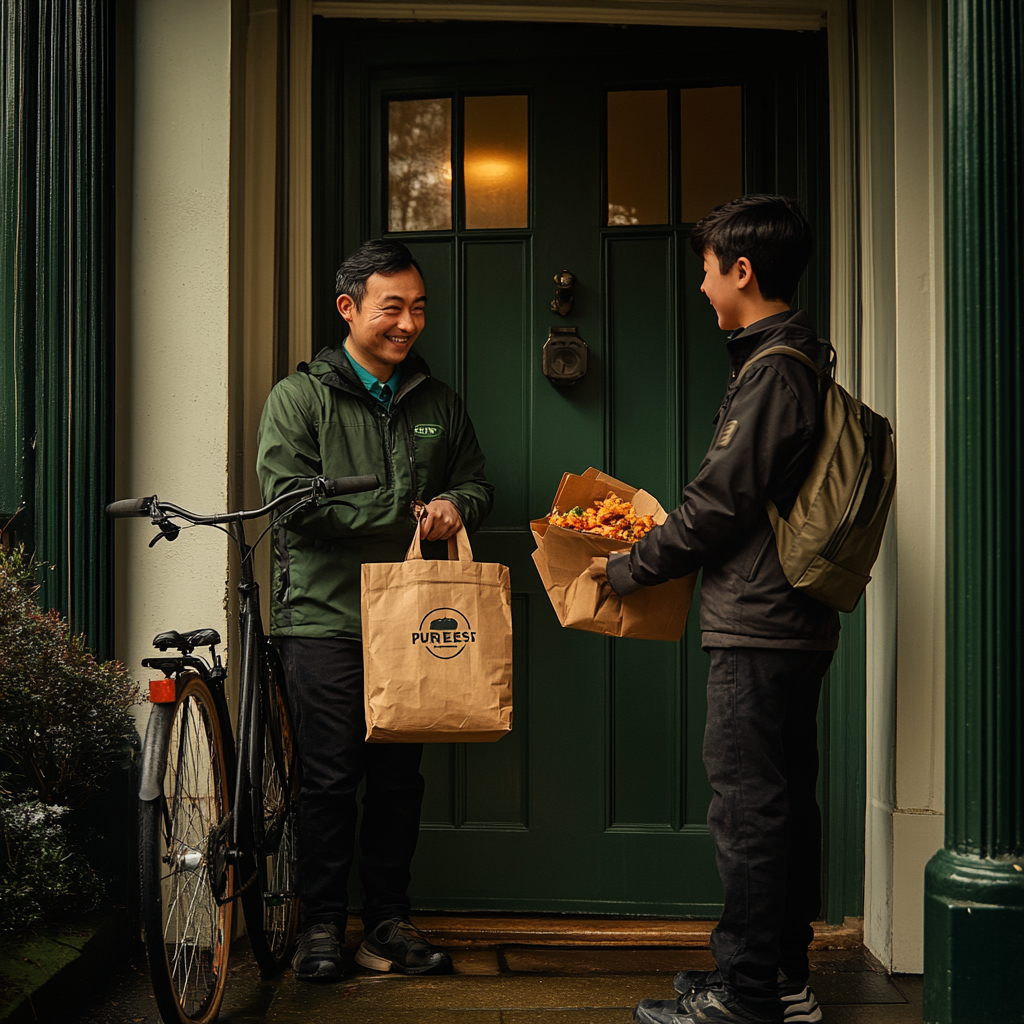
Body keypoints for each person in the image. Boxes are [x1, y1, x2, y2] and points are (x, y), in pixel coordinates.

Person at [589, 195, 838, 1024]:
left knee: (750, 808)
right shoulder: (792, 359)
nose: (699, 285)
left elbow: (718, 505)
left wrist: (629, 568)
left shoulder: (770, 371)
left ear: (742, 271)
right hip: (787, 616)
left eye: (705, 269)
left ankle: (747, 993)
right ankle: (781, 981)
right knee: (781, 800)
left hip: (759, 620)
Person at [256, 239, 493, 982]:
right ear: (348, 308)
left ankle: (385, 923)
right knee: (327, 779)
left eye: (418, 307)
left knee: (399, 780)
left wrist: (456, 505)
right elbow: (290, 502)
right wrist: (402, 513)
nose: (408, 322)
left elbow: (478, 481)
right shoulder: (299, 398)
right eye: (393, 307)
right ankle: (321, 925)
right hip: (324, 620)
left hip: (417, 622)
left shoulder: (437, 401)